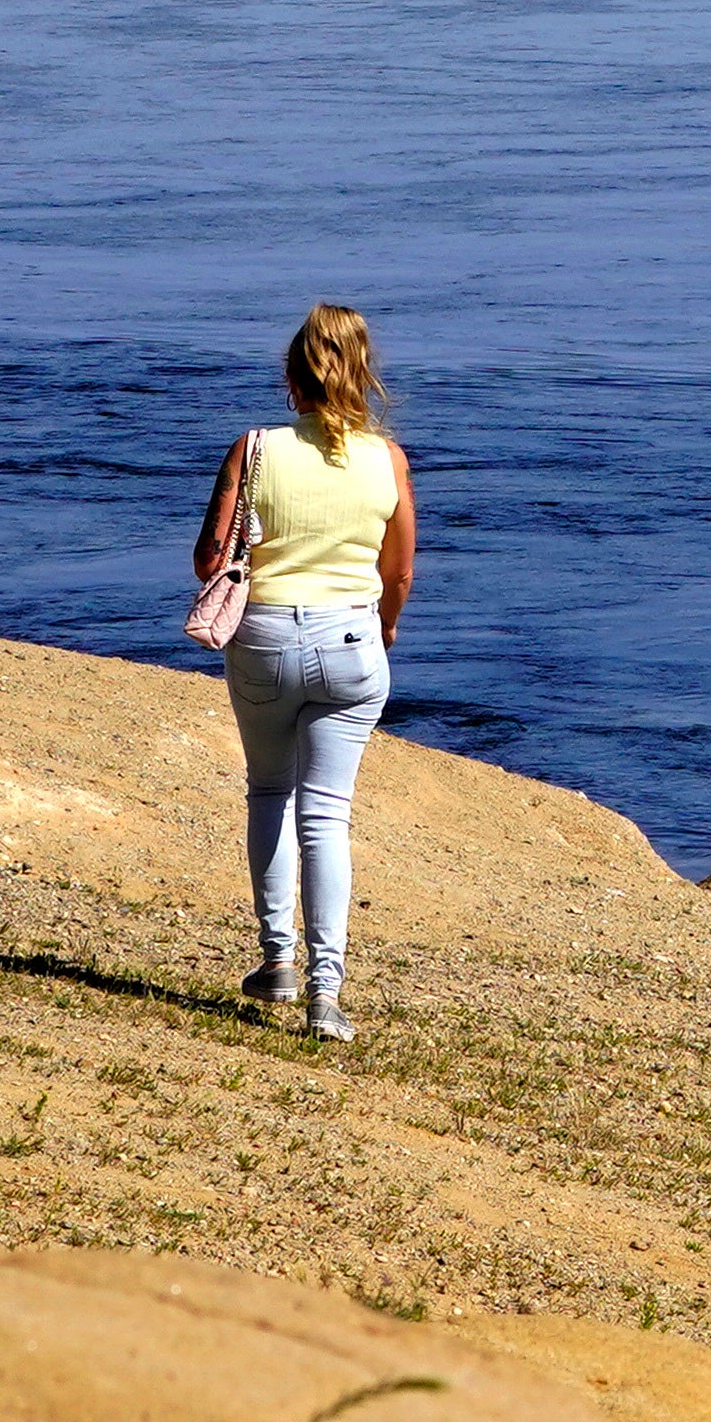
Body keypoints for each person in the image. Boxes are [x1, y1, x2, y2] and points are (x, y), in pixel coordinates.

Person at [193, 302, 413, 1040]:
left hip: (262, 637)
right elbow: (400, 570)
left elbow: (208, 559)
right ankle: (327, 993)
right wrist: (380, 631)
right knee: (328, 814)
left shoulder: (255, 448)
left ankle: (277, 960)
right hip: (352, 638)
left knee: (268, 790)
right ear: (362, 374)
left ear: (292, 375)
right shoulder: (388, 459)